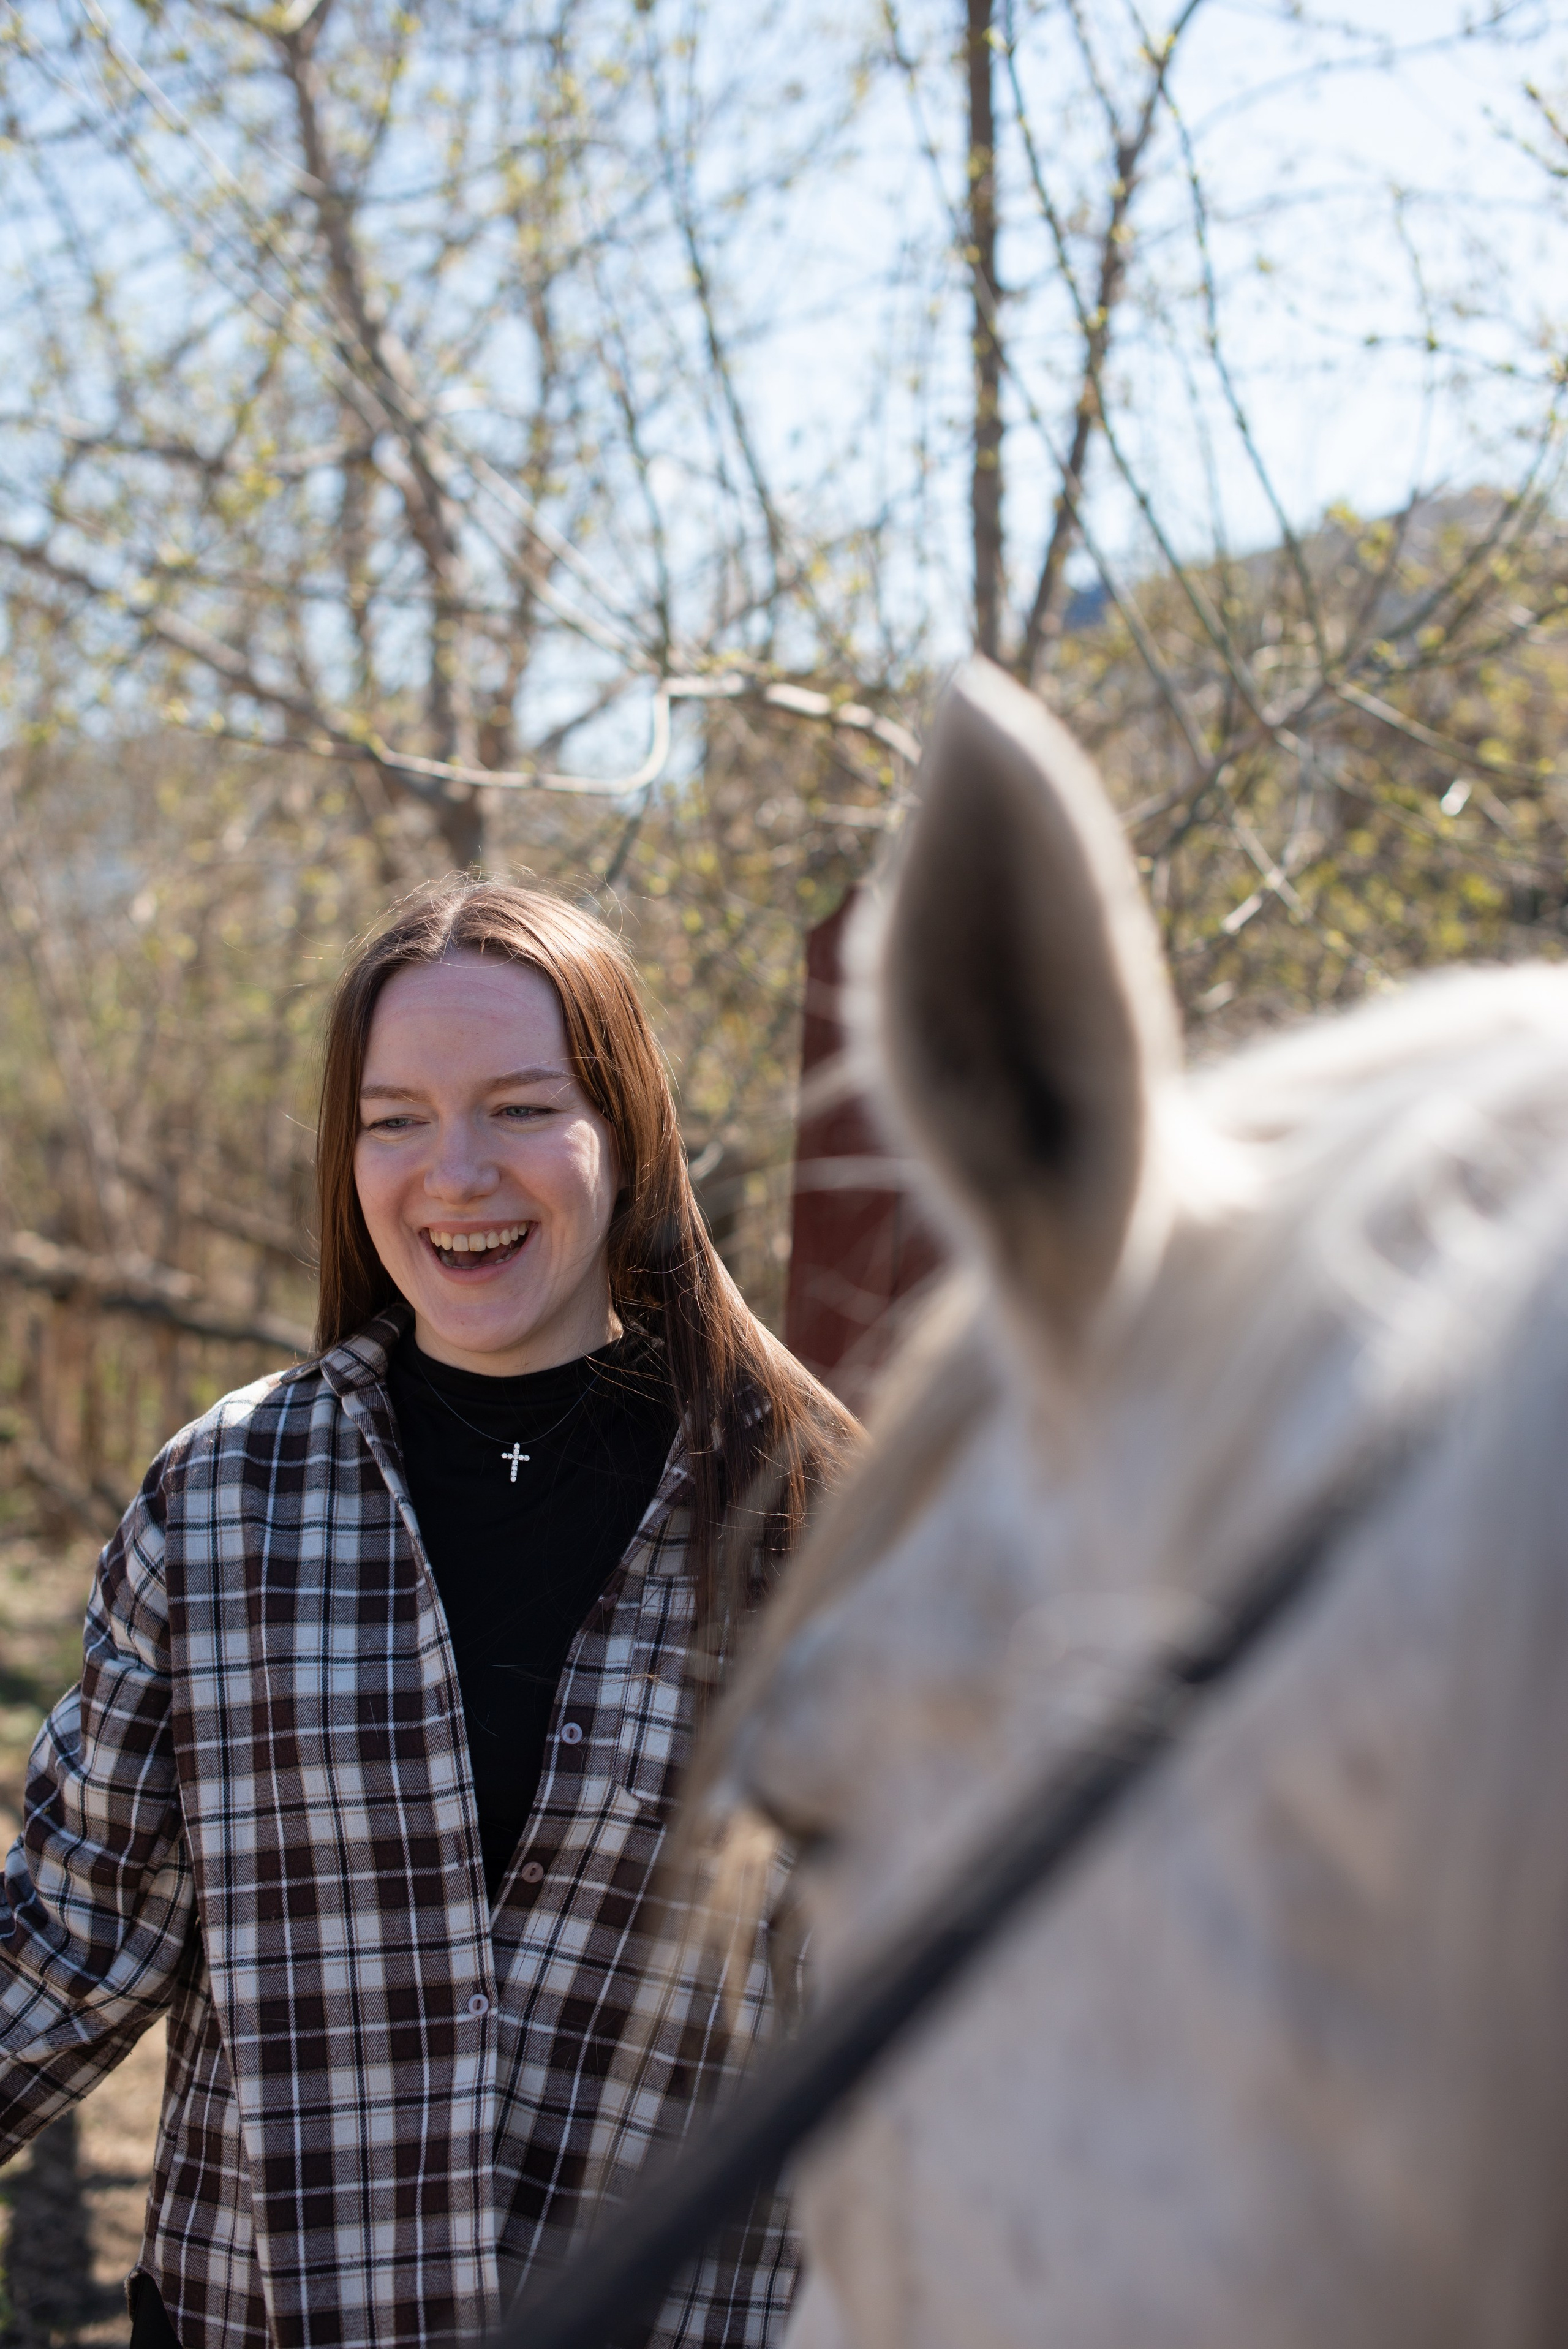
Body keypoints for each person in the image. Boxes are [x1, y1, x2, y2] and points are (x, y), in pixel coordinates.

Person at [0, 881, 856, 2349]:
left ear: (627, 1130)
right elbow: (65, 1942)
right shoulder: (225, 1499)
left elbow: (898, 2019)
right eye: (393, 1118)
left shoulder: (804, 1519)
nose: (453, 1172)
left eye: (522, 1107)